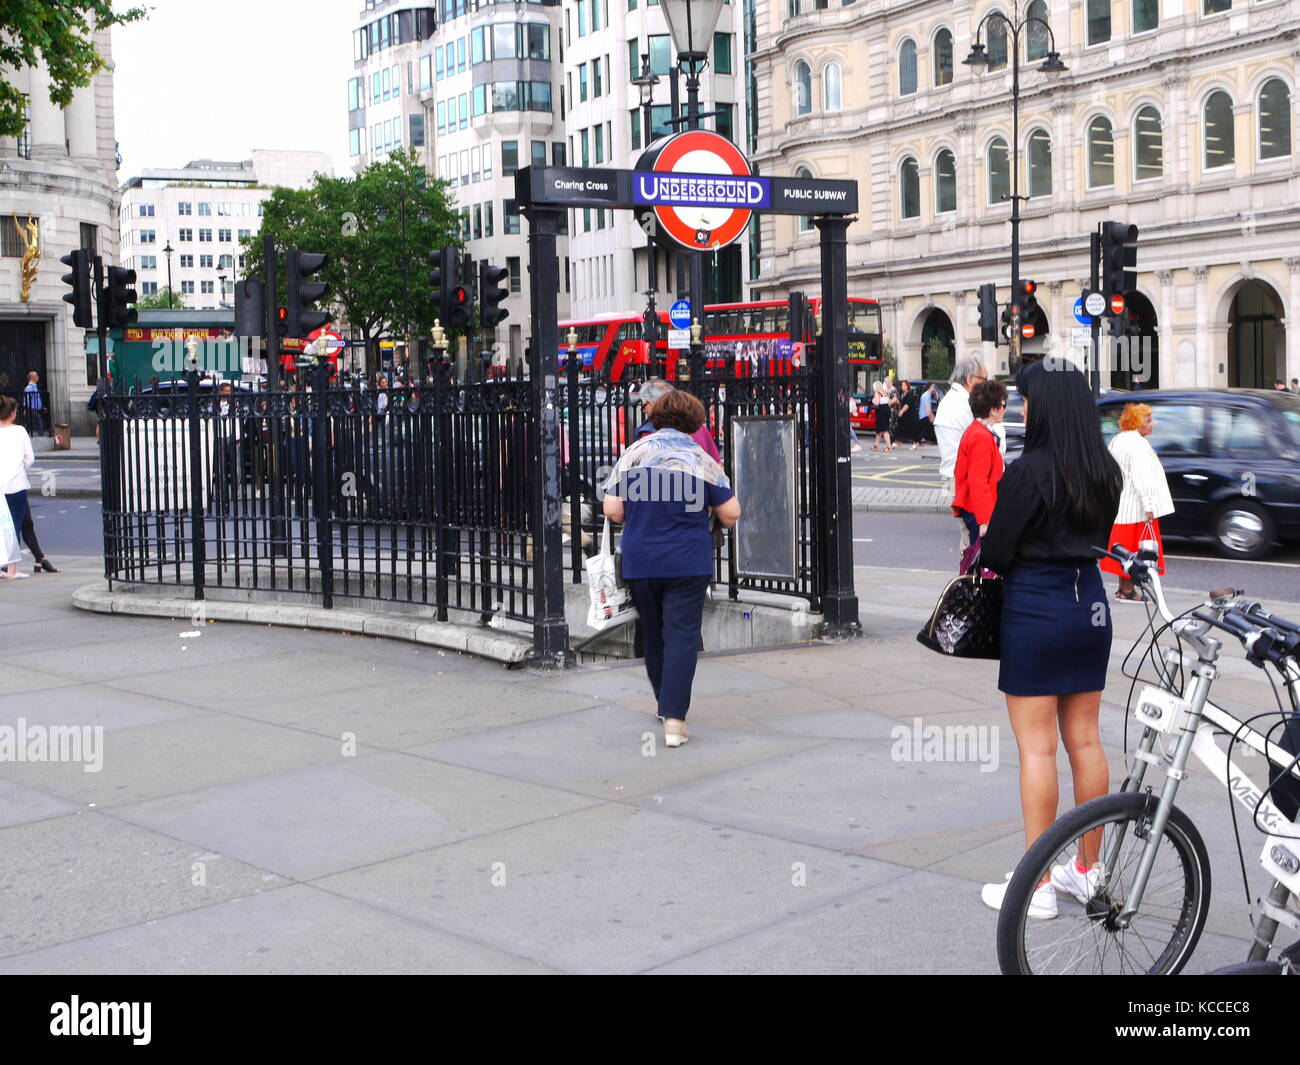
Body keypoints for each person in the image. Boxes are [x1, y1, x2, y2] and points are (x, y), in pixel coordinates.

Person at [978, 359, 1122, 919]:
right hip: (1088, 607)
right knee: (1086, 741)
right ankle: (1089, 871)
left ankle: (1035, 888)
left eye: (1028, 399)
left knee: (1036, 749)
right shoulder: (1104, 470)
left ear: (1046, 407)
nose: (1024, 408)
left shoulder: (1028, 471)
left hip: (1035, 610)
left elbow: (995, 554)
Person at [602, 389, 741, 747]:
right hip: (687, 560)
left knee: (652, 632)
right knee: (680, 635)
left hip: (641, 560)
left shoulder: (635, 453)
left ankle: (665, 702)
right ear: (694, 420)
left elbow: (613, 510)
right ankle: (675, 719)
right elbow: (731, 513)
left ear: (655, 416)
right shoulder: (700, 457)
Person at [1099, 403, 1174, 603]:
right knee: (1135, 549)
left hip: (1121, 505)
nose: (1152, 424)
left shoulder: (1118, 439)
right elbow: (1143, 478)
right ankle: (1129, 591)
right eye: (1148, 420)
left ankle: (1123, 589)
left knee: (1123, 549)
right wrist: (1149, 506)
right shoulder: (1138, 444)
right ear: (1137, 422)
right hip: (1136, 507)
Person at [934, 356, 989, 547]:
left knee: (967, 538)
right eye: (984, 380)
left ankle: (967, 574)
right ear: (970, 380)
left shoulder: (951, 400)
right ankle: (969, 576)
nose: (986, 386)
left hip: (955, 476)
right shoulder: (964, 404)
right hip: (965, 480)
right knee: (972, 543)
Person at [951, 380, 1008, 550]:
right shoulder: (980, 436)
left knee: (976, 565)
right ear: (993, 409)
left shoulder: (979, 431)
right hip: (976, 511)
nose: (1005, 408)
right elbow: (978, 480)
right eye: (1003, 404)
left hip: (975, 508)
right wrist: (985, 520)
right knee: (978, 566)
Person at [632, 377, 721, 461]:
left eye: (643, 406)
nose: (644, 411)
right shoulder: (701, 430)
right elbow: (718, 467)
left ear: (650, 403)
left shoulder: (648, 435)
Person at [0, 395, 35, 580]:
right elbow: (30, 458)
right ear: (13, 413)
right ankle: (12, 569)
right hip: (16, 485)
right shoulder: (20, 431)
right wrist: (20, 468)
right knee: (13, 525)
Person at [871, 380, 895, 451]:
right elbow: (889, 401)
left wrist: (872, 400)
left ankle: (888, 446)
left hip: (881, 411)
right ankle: (876, 445)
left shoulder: (877, 393)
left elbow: (877, 402)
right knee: (879, 429)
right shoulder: (885, 392)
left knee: (884, 430)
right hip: (886, 410)